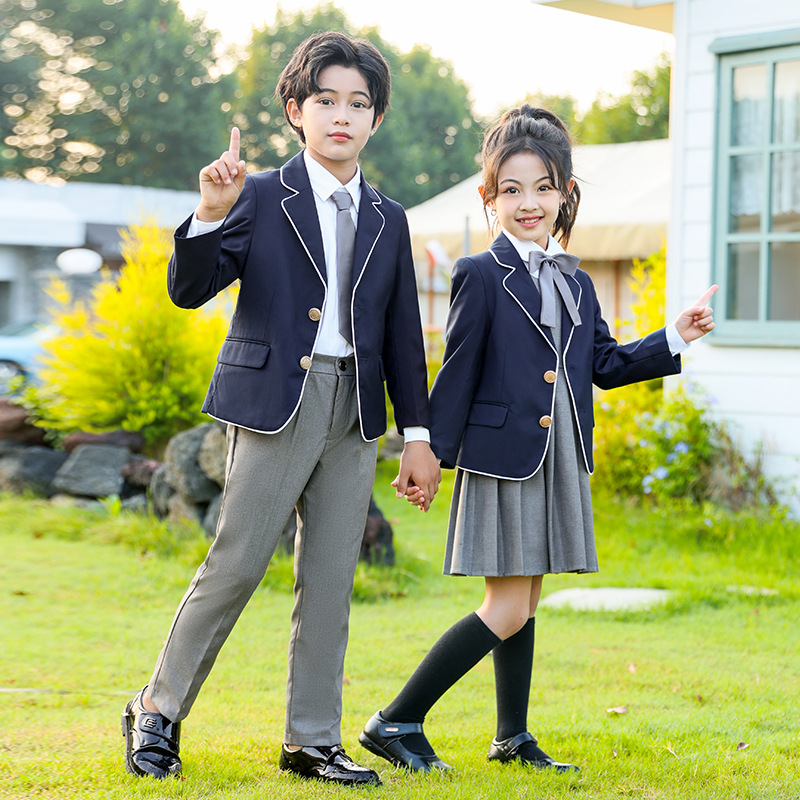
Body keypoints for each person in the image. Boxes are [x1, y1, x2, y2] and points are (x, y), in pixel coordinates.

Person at [121, 31, 441, 787]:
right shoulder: (260, 194)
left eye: (358, 103)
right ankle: (156, 711)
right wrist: (208, 212)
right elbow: (190, 290)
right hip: (273, 405)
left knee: (330, 580)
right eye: (325, 100)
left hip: (354, 413)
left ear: (374, 119)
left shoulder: (389, 220)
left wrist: (418, 436)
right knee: (235, 565)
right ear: (296, 111)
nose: (342, 115)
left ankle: (311, 741)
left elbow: (402, 337)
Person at [359, 104, 717, 774]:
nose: (530, 203)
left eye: (544, 188)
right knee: (505, 605)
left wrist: (674, 337)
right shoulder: (479, 275)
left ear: (565, 194)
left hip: (557, 459)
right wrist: (427, 449)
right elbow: (458, 370)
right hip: (502, 458)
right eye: (513, 189)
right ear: (488, 197)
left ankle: (511, 736)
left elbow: (604, 365)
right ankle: (396, 720)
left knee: (527, 601)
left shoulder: (576, 279)